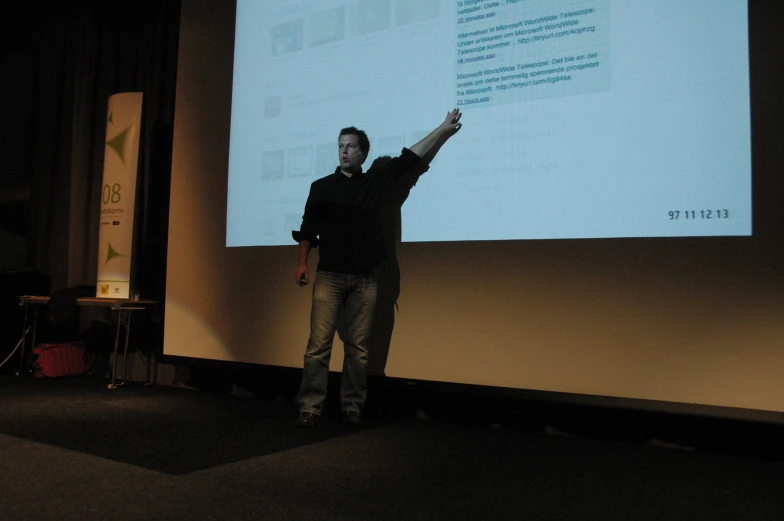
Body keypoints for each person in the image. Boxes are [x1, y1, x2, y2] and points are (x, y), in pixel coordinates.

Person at [292, 109, 463, 427]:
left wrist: (441, 129)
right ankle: (310, 407)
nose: (344, 151)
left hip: (365, 277)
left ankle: (352, 406)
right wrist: (302, 263)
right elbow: (307, 228)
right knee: (318, 345)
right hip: (329, 275)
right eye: (341, 145)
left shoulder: (375, 182)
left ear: (363, 152)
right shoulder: (321, 187)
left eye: (350, 146)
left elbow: (411, 160)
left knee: (357, 348)